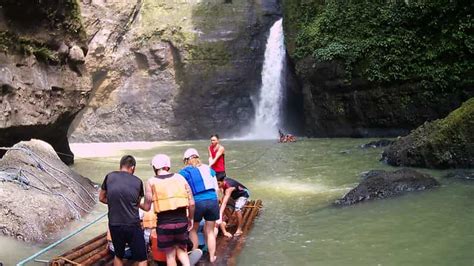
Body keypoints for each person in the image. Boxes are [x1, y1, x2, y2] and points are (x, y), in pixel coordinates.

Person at [143, 154, 195, 266]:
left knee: (170, 255)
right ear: (167, 166)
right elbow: (191, 203)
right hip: (181, 221)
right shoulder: (181, 178)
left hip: (164, 224)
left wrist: (137, 204)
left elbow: (147, 206)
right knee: (182, 250)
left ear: (154, 168)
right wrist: (190, 218)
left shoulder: (151, 182)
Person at [99, 155, 148, 266]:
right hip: (132, 224)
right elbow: (136, 202)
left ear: (120, 166)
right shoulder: (138, 182)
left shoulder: (109, 177)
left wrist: (114, 203)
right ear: (133, 168)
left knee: (118, 255)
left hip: (114, 223)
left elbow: (101, 198)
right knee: (142, 258)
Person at [179, 148, 219, 263]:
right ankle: (212, 257)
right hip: (212, 200)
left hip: (198, 201)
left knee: (193, 229)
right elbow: (216, 188)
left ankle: (195, 253)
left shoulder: (184, 172)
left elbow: (183, 191)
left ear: (186, 160)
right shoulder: (208, 168)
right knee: (210, 230)